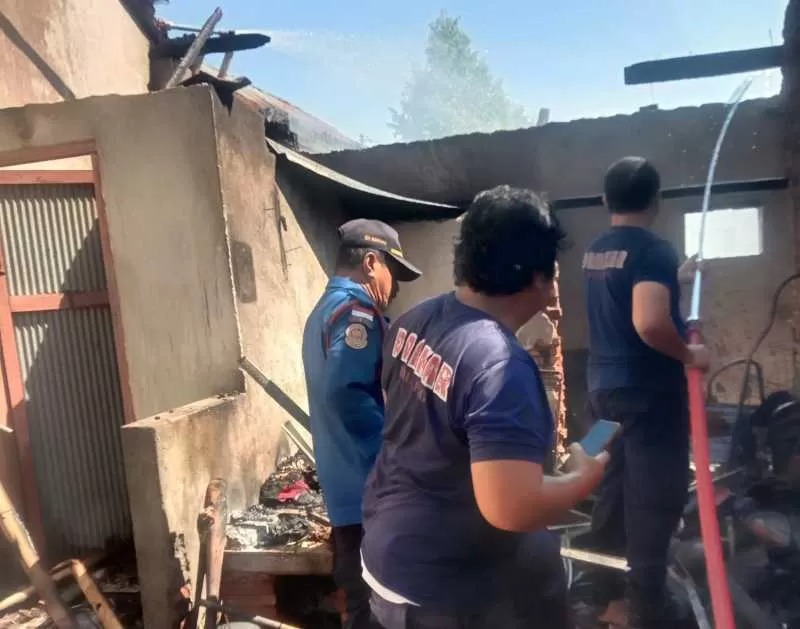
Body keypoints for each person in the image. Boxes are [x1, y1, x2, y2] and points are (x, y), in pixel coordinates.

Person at [361, 185, 609, 629]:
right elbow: (511, 508)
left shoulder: (413, 320)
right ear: (539, 275)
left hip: (387, 554)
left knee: (538, 557)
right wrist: (581, 479)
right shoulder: (499, 365)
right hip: (442, 593)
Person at [583, 156, 711, 629]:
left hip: (602, 391)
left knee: (610, 484)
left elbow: (624, 295)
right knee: (655, 495)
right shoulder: (653, 249)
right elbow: (648, 321)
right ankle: (646, 609)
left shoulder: (596, 251)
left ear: (604, 200)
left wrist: (675, 277)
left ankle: (601, 596)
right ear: (657, 200)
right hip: (649, 394)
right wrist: (689, 356)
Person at [302, 218, 422, 629]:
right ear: (371, 262)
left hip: (346, 495)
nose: (395, 287)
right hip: (370, 495)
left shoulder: (323, 310)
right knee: (379, 612)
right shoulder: (357, 313)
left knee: (361, 609)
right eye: (393, 271)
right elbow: (345, 391)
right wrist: (394, 461)